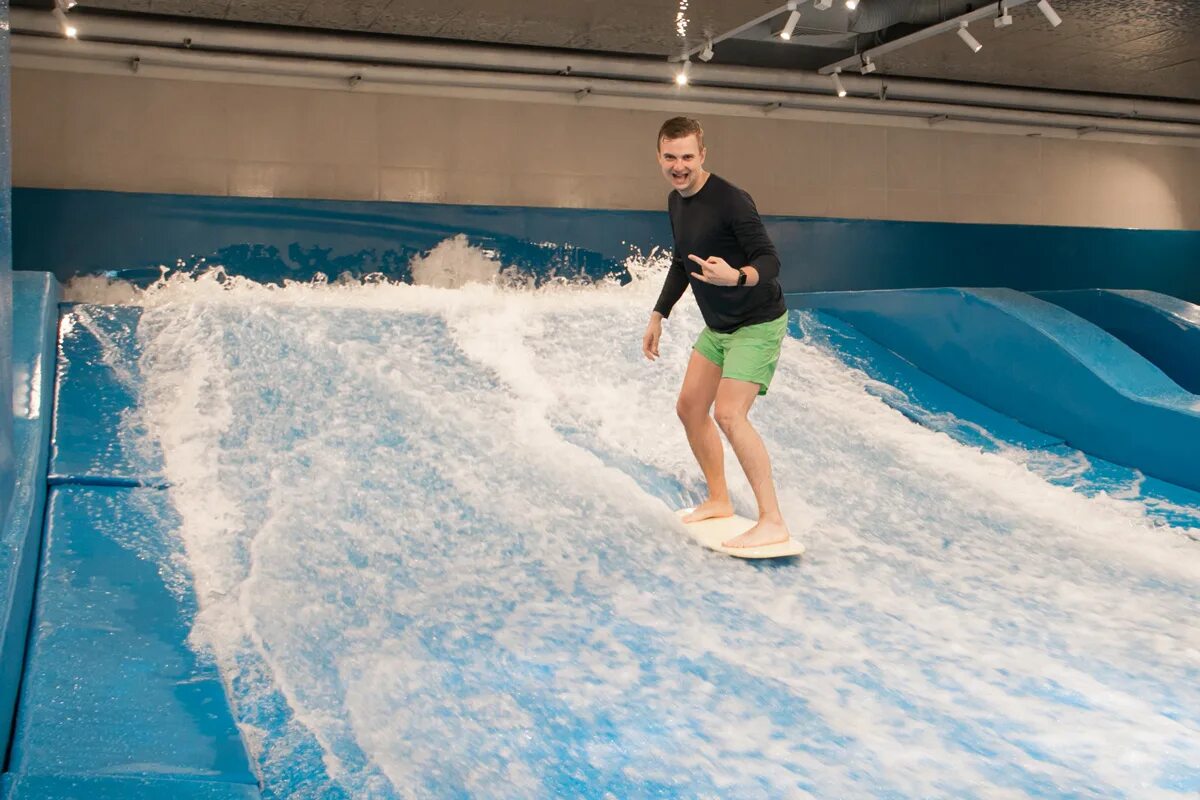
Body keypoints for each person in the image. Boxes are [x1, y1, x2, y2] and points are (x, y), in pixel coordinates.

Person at [642, 116, 790, 548]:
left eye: (687, 156)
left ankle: (772, 520)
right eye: (670, 157)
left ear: (702, 155)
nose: (679, 165)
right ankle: (720, 498)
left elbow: (770, 260)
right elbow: (680, 261)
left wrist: (738, 277)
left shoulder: (731, 200)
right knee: (690, 407)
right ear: (660, 157)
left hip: (757, 322)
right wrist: (659, 314)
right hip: (719, 327)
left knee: (728, 414)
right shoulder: (675, 201)